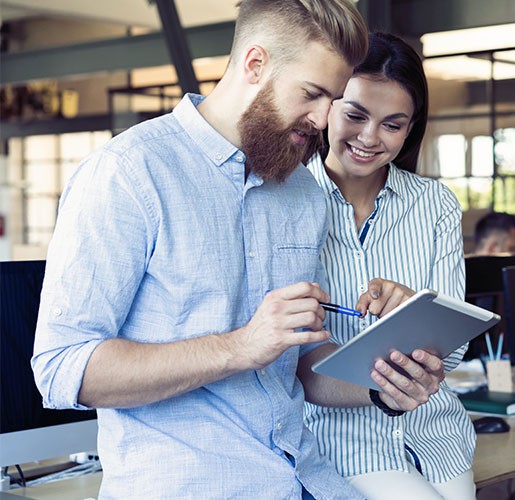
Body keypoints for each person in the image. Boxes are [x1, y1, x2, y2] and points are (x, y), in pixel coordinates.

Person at [31, 3, 438, 498]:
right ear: (254, 64)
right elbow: (62, 367)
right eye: (312, 94)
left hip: (307, 479)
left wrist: (382, 386)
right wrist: (239, 347)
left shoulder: (301, 192)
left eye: (332, 98)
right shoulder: (127, 173)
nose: (323, 119)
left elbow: (303, 363)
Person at [297, 33, 476, 499]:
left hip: (437, 436)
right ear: (326, 108)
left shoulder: (434, 204)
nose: (370, 138)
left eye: (393, 125)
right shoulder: (285, 203)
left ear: (411, 128)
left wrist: (416, 309)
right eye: (355, 115)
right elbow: (292, 362)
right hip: (339, 442)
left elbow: (452, 353)